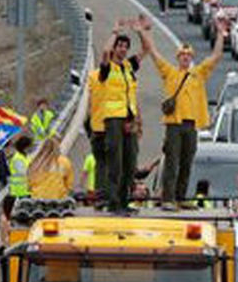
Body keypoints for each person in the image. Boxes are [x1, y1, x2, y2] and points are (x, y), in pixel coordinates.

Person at [149, 20, 225, 206]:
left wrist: (221, 34)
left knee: (186, 162)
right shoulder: (170, 73)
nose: (185, 58)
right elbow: (154, 54)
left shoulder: (198, 74)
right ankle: (168, 198)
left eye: (188, 56)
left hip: (191, 124)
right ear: (178, 58)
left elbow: (216, 56)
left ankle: (181, 197)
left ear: (191, 59)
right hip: (174, 123)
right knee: (172, 162)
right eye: (182, 56)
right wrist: (145, 32)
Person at [96, 18, 147, 212]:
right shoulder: (108, 67)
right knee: (115, 162)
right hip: (113, 119)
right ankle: (114, 201)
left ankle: (125, 201)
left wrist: (140, 31)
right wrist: (114, 32)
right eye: (120, 46)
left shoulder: (128, 67)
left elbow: (146, 51)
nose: (123, 50)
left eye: (126, 47)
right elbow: (104, 52)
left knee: (130, 161)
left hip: (129, 118)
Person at [8, 135, 33, 200]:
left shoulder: (25, 156)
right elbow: (23, 172)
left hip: (27, 188)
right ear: (24, 147)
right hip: (20, 190)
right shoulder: (17, 159)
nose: (30, 148)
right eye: (29, 146)